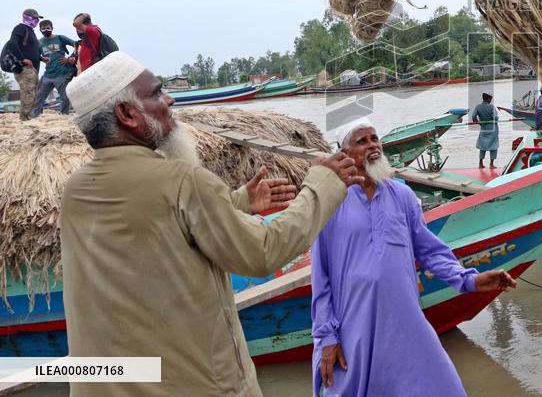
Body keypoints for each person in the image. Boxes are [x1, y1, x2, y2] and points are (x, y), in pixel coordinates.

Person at [61, 52, 363, 396]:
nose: (169, 99)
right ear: (127, 114)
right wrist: (324, 182)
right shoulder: (181, 180)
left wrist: (236, 203)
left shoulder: (77, 188)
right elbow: (263, 252)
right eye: (156, 93)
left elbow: (153, 225)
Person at [311, 119, 516, 397]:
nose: (372, 145)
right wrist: (326, 336)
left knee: (441, 387)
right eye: (362, 141)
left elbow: (430, 250)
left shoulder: (402, 195)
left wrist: (470, 280)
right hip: (354, 324)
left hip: (404, 320)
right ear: (344, 154)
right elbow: (320, 280)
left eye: (374, 138)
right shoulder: (330, 202)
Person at [29, 20, 77, 117]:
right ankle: (35, 116)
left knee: (64, 97)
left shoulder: (60, 38)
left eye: (48, 28)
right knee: (39, 96)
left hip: (62, 74)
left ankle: (64, 116)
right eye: (43, 28)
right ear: (40, 30)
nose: (46, 30)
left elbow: (77, 45)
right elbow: (35, 55)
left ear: (52, 28)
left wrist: (69, 59)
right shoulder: (39, 42)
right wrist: (42, 59)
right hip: (48, 75)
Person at [9, 9, 42, 121]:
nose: (37, 20)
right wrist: (23, 59)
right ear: (27, 17)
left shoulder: (30, 31)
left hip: (32, 69)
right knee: (28, 94)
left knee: (33, 94)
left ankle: (28, 119)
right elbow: (13, 44)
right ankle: (26, 121)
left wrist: (41, 58)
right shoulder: (20, 28)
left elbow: (30, 50)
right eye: (35, 18)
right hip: (24, 69)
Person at [472, 91, 500, 169]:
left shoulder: (478, 107)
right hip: (493, 129)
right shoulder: (491, 107)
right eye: (490, 98)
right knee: (494, 146)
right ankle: (491, 164)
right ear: (488, 98)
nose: (491, 100)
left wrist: (480, 123)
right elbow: (496, 117)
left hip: (484, 128)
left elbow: (474, 117)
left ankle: (480, 163)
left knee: (482, 146)